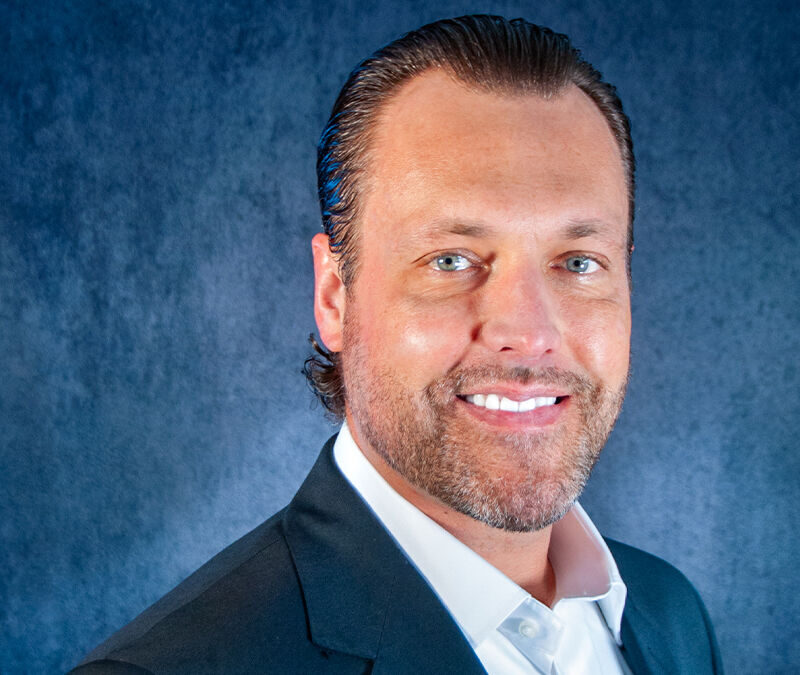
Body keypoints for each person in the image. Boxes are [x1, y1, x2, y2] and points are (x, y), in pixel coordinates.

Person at [72, 15, 722, 674]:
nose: (529, 332)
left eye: (578, 261)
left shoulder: (671, 615)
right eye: (451, 259)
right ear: (334, 294)